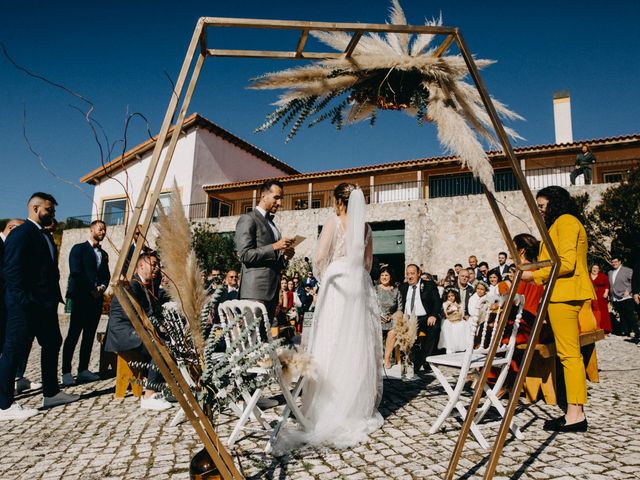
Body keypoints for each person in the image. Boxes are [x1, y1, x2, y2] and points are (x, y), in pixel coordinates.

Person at [277, 183, 383, 451]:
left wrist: (327, 278)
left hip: (337, 284)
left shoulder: (333, 221)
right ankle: (354, 407)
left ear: (338, 201)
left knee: (331, 341)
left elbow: (319, 257)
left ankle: (326, 407)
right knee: (355, 345)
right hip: (357, 284)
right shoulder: (367, 229)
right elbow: (368, 264)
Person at [0, 193, 80, 421]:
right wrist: (24, 300)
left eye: (53, 210)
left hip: (45, 306)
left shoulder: (45, 235)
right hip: (24, 306)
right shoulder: (22, 233)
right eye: (49, 209)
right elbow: (11, 271)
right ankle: (3, 405)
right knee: (13, 350)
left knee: (53, 342)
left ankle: (51, 393)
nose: (53, 214)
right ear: (35, 208)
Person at [522, 186, 595, 433]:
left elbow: (565, 263)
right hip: (563, 293)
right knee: (569, 354)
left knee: (569, 355)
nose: (541, 211)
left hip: (564, 294)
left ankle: (576, 414)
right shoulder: (562, 224)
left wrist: (534, 276)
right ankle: (574, 412)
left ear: (554, 203)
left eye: (542, 206)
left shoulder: (565, 222)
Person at [104, 251, 172, 410]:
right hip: (123, 333)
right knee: (158, 347)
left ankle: (158, 386)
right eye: (153, 264)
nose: (156, 268)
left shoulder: (143, 285)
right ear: (141, 265)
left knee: (164, 342)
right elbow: (142, 314)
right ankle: (148, 395)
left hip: (133, 329)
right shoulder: (132, 284)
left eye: (157, 265)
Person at [234, 179, 295, 329]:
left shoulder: (273, 225)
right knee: (250, 342)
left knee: (263, 343)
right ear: (263, 196)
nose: (280, 203)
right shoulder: (248, 219)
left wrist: (285, 257)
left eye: (281, 199)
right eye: (276, 198)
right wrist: (275, 246)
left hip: (272, 294)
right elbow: (244, 255)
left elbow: (273, 260)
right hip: (254, 293)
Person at [62, 220, 110, 386]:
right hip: (81, 297)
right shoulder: (79, 249)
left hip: (96, 300)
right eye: (100, 229)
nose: (103, 232)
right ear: (91, 230)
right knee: (73, 334)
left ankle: (83, 370)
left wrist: (102, 288)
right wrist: (91, 289)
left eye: (104, 229)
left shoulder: (103, 254)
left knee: (89, 335)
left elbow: (106, 275)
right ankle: (66, 372)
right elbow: (76, 271)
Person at [399, 264, 442, 372]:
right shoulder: (403, 287)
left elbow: (437, 301)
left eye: (412, 273)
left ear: (419, 274)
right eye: (408, 274)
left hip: (425, 318)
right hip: (408, 319)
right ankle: (410, 360)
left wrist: (433, 315)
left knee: (435, 327)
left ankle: (428, 361)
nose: (410, 276)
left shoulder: (429, 285)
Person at [376, 266, 403, 369]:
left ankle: (387, 359)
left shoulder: (396, 291)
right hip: (376, 318)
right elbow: (369, 305)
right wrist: (378, 315)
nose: (384, 277)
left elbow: (400, 309)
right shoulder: (375, 289)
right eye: (382, 275)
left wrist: (392, 317)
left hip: (390, 319)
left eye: (386, 275)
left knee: (393, 331)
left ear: (390, 277)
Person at [608, 256, 638, 339]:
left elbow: (634, 281)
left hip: (626, 296)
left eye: (616, 262)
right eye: (612, 262)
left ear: (620, 262)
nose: (614, 263)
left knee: (630, 315)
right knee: (622, 315)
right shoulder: (610, 272)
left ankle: (637, 332)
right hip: (615, 297)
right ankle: (625, 331)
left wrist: (629, 290)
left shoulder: (627, 270)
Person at [437, 289, 468, 354]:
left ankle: (461, 347)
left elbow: (462, 313)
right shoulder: (445, 304)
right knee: (449, 329)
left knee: (464, 325)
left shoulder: (459, 303)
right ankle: (450, 348)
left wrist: (460, 311)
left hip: (458, 320)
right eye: (449, 296)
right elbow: (446, 313)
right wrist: (454, 308)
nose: (451, 297)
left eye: (452, 296)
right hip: (450, 321)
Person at [589, 264, 611, 334]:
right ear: (591, 268)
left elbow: (607, 285)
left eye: (596, 268)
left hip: (601, 296)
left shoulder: (603, 276)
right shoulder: (587, 275)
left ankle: (605, 329)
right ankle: (594, 327)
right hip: (590, 295)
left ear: (599, 270)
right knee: (592, 311)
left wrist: (606, 293)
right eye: (593, 268)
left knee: (603, 311)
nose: (595, 269)